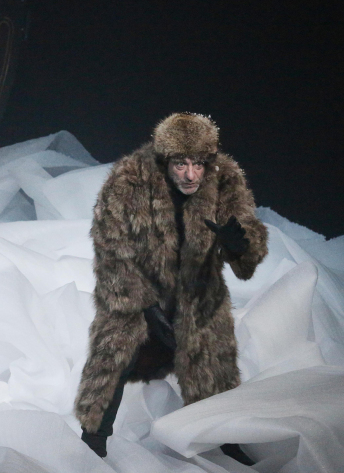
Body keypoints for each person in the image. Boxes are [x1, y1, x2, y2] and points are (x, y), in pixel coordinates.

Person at [74, 113, 268, 463]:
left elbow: (246, 255)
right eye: (181, 163)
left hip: (198, 298)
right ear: (165, 161)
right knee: (113, 354)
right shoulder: (129, 179)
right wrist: (146, 308)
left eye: (198, 163)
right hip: (140, 296)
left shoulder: (225, 178)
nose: (191, 174)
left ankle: (228, 442)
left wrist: (240, 245)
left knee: (215, 365)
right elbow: (111, 252)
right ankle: (92, 443)